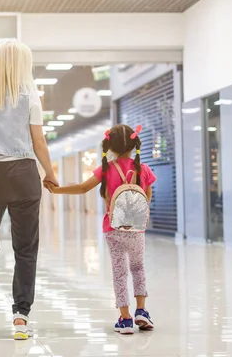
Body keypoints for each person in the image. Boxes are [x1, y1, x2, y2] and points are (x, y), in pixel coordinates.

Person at [0, 40, 58, 340]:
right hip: (23, 174)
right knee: (26, 248)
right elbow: (38, 142)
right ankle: (20, 318)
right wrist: (50, 173)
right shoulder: (30, 96)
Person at [47, 124, 156, 335]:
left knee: (119, 272)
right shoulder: (144, 169)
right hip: (136, 229)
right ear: (134, 145)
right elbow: (147, 197)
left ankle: (125, 319)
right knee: (138, 268)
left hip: (113, 228)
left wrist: (57, 190)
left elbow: (82, 188)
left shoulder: (106, 169)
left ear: (110, 147)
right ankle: (141, 311)